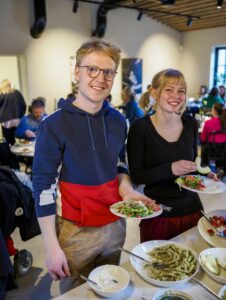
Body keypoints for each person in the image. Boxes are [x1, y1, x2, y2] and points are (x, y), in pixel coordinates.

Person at [32, 39, 156, 293]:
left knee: (111, 288)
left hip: (115, 224)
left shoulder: (118, 120)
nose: (100, 78)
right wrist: (52, 246)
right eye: (92, 69)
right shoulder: (53, 125)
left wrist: (128, 191)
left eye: (108, 72)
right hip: (75, 231)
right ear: (77, 72)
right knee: (78, 294)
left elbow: (119, 165)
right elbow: (43, 187)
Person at [127, 68, 217, 243]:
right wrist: (170, 169)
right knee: (157, 267)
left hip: (193, 209)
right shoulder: (140, 128)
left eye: (181, 91)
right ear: (154, 92)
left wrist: (205, 175)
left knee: (193, 263)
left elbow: (192, 165)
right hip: (159, 213)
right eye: (168, 90)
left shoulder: (190, 123)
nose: (176, 96)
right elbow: (137, 176)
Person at [0, 79, 26, 146]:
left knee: (8, 140)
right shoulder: (17, 92)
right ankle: (20, 154)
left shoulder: (2, 94)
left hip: (6, 121)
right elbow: (23, 105)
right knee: (20, 138)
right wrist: (22, 115)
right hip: (17, 119)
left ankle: (10, 153)